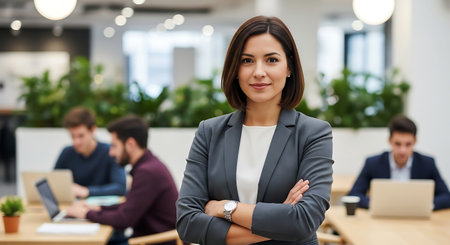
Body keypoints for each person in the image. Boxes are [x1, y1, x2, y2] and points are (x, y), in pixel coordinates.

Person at [176, 16, 334, 245]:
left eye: (271, 60)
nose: (259, 72)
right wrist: (281, 220)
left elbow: (304, 220)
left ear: (289, 67)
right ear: (235, 69)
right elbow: (187, 223)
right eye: (247, 60)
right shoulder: (209, 132)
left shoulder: (313, 133)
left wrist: (225, 208)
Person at [66, 115, 178, 245]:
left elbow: (124, 220)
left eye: (114, 146)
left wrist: (86, 213)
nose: (111, 153)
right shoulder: (149, 166)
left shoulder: (148, 172)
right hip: (148, 239)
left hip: (154, 241)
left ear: (130, 144)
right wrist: (97, 208)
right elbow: (130, 207)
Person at [348, 115, 450, 210]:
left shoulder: (427, 163)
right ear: (389, 140)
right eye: (398, 144)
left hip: (417, 221)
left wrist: (426, 205)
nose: (402, 150)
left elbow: (446, 196)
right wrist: (375, 204)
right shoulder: (373, 163)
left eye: (408, 144)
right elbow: (353, 194)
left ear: (415, 141)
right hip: (382, 220)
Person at [54, 107, 126, 198]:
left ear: (92, 130)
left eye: (81, 136)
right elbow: (53, 183)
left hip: (102, 209)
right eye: (73, 136)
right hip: (73, 208)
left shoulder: (110, 152)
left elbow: (120, 187)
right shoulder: (67, 152)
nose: (76, 142)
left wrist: (87, 191)